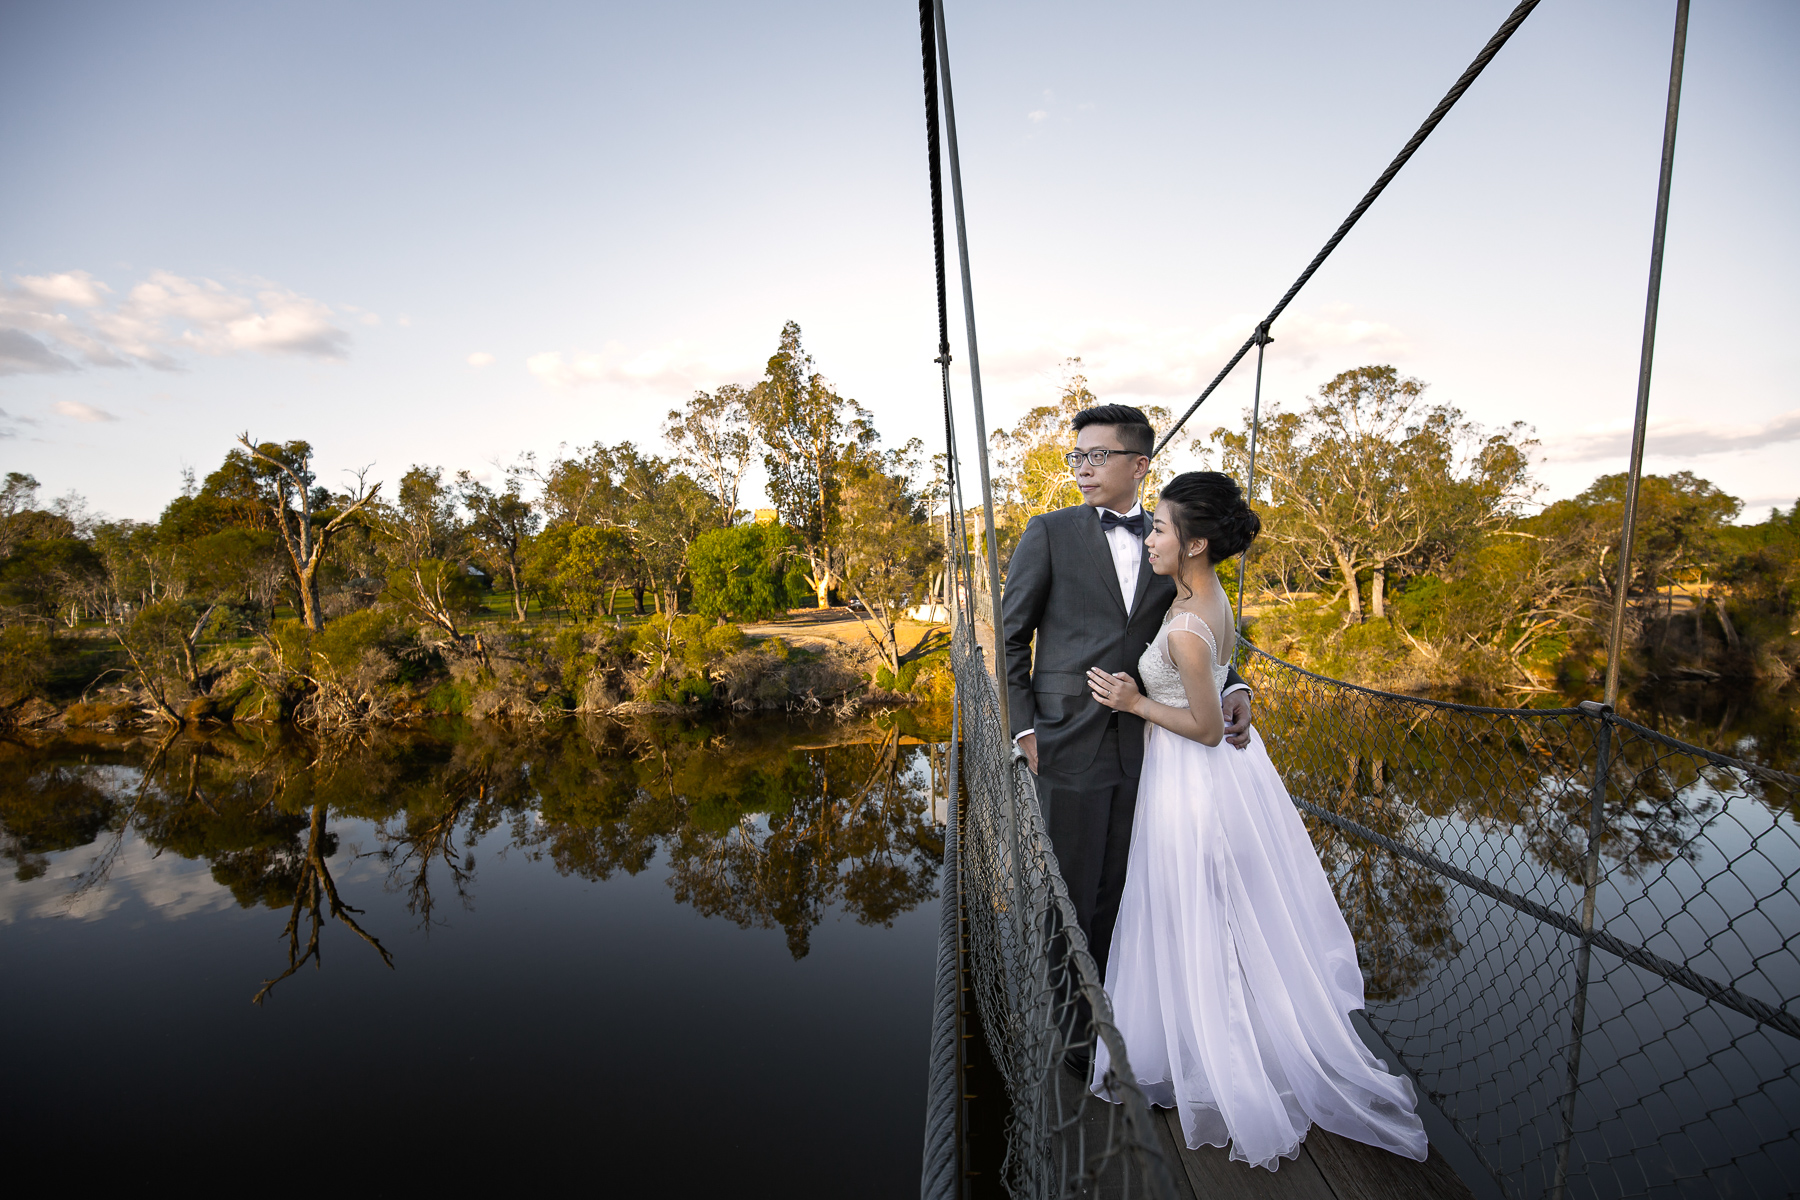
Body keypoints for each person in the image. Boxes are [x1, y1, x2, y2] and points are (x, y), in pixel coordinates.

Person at [1085, 471, 1428, 1170]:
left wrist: (1131, 701)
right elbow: (1221, 674)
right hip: (1222, 780)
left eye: (1160, 528)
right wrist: (1230, 686)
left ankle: (1215, 1056)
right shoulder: (1205, 598)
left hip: (1193, 778)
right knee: (1218, 908)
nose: (1151, 536)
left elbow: (1206, 728)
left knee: (1191, 907)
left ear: (1197, 542)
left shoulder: (1183, 624)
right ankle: (1219, 1037)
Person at [1001, 405, 1254, 1009]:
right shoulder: (1049, 532)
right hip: (1067, 738)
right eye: (1076, 457)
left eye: (1097, 456)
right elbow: (1012, 636)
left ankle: (1126, 1014)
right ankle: (1072, 1027)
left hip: (1153, 745)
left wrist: (1234, 686)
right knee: (1069, 892)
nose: (1082, 469)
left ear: (1139, 464)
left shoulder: (1173, 538)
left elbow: (1191, 623)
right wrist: (1024, 730)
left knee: (1131, 886)